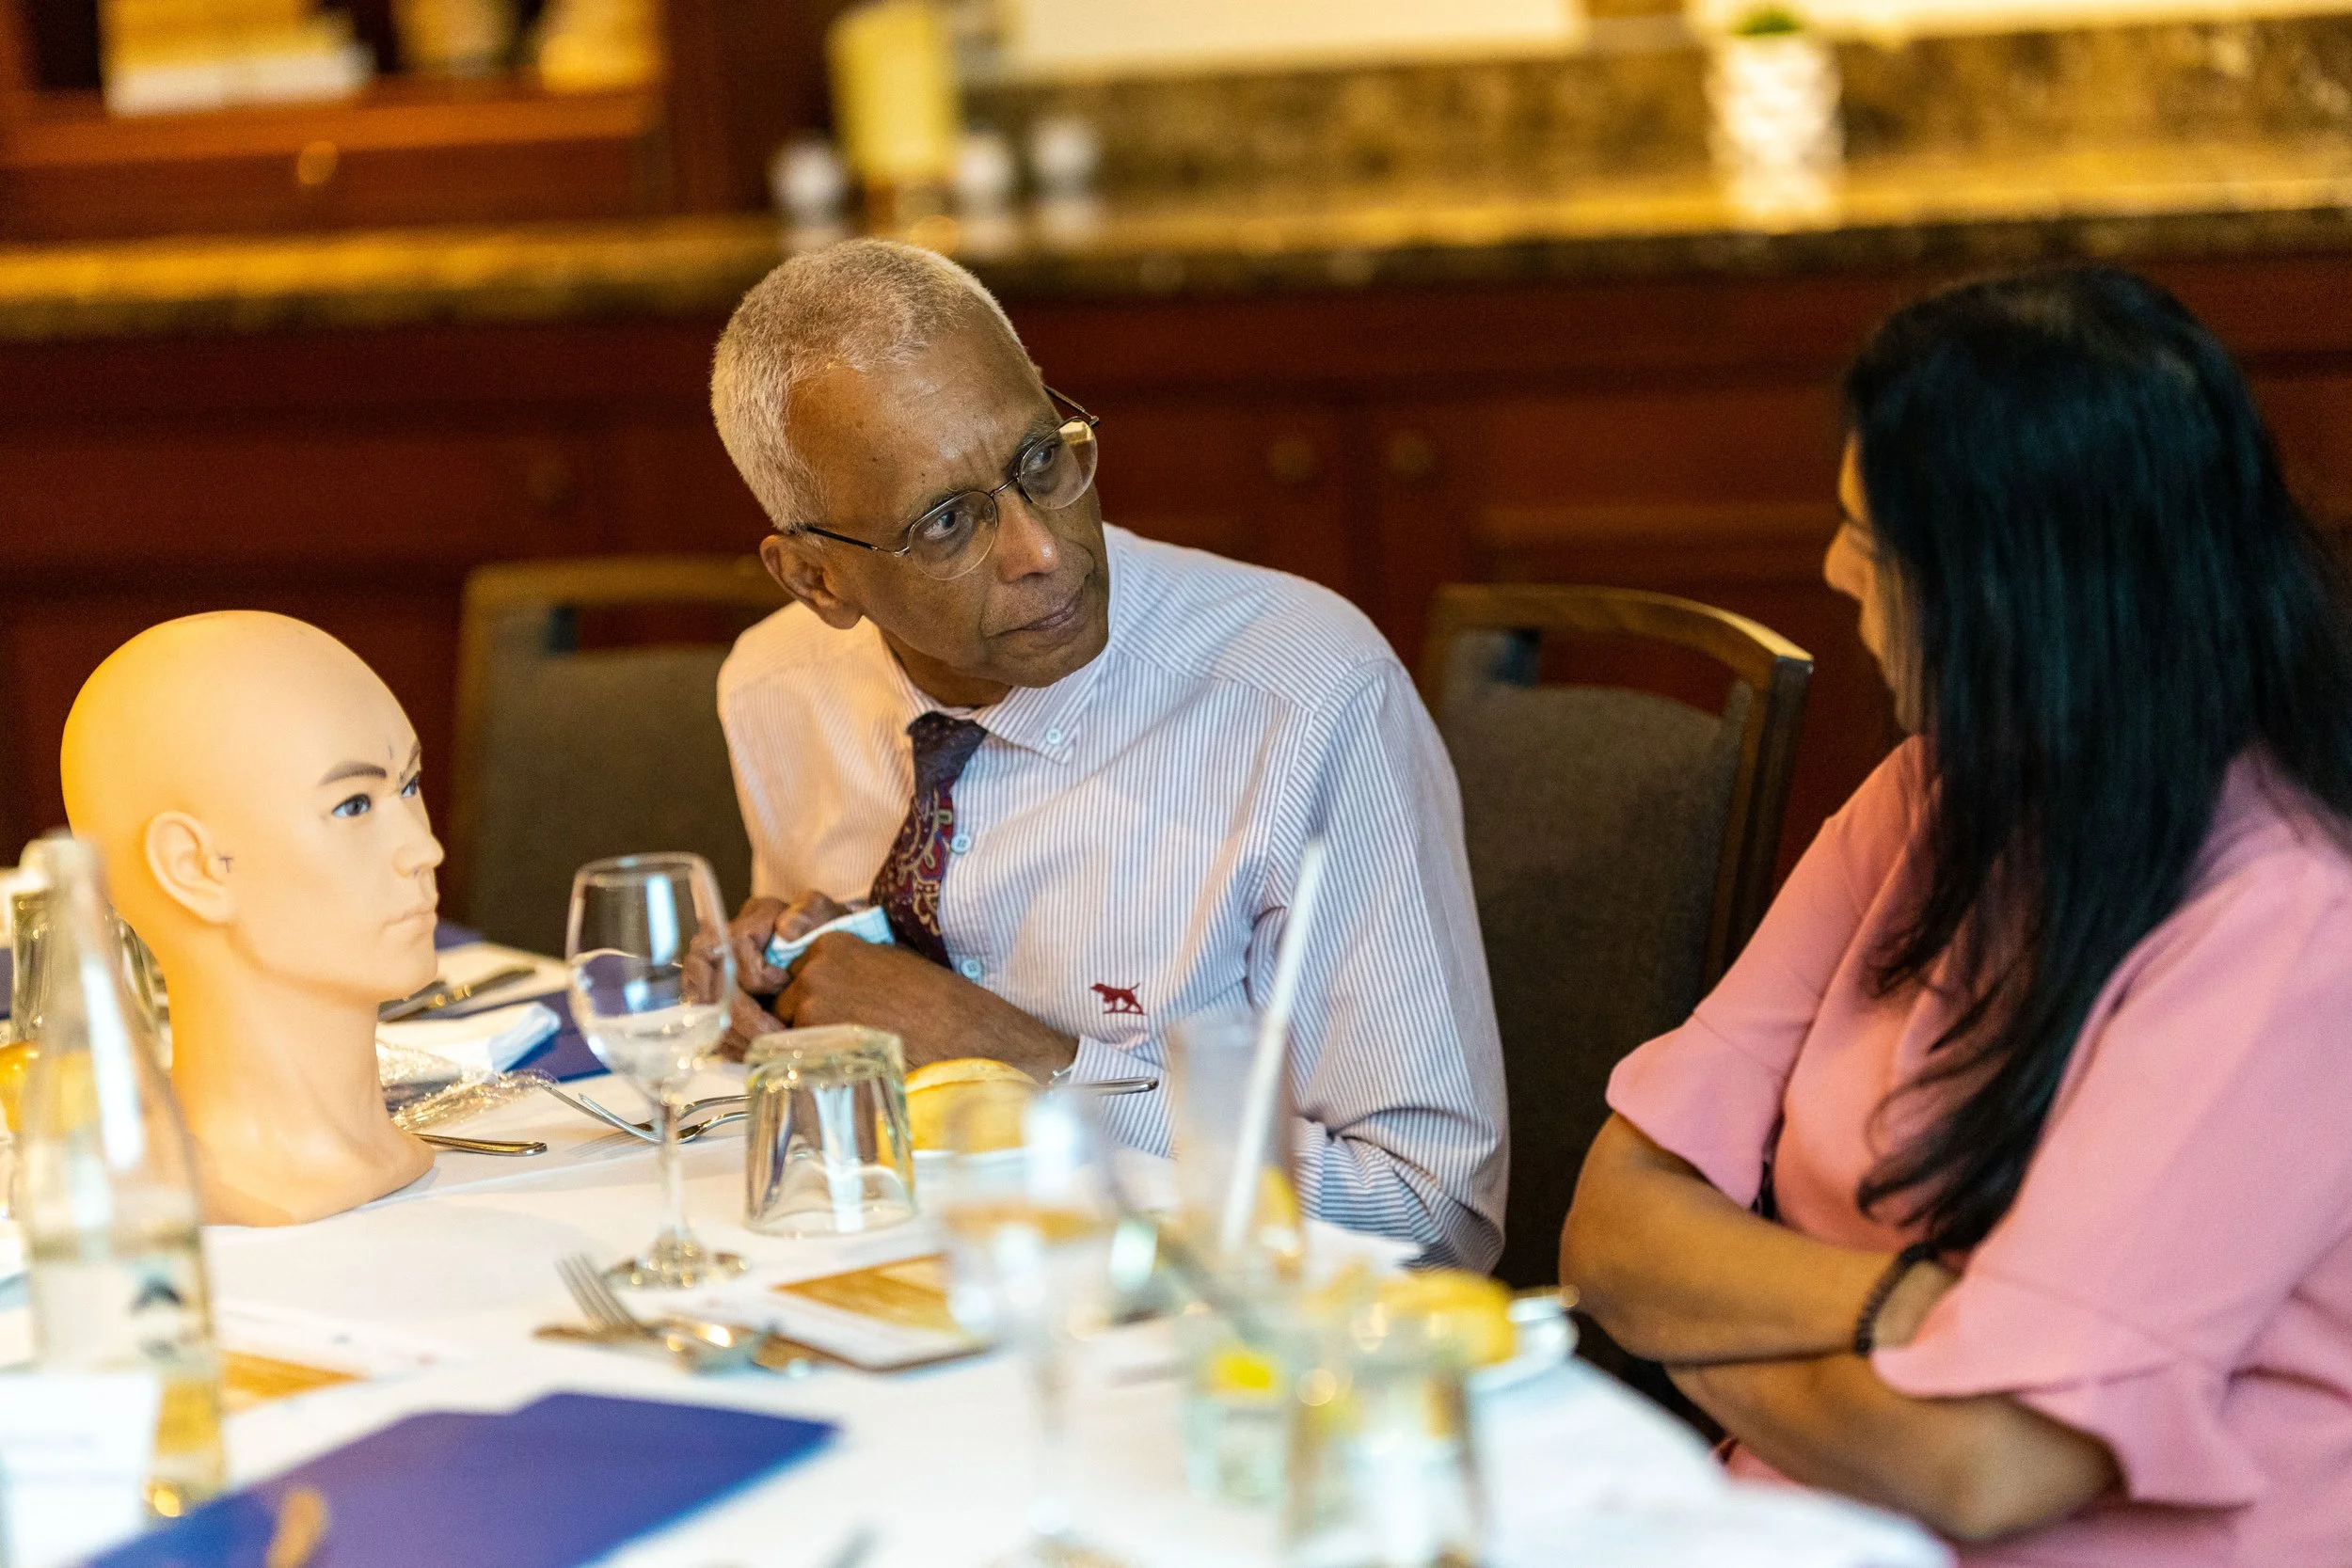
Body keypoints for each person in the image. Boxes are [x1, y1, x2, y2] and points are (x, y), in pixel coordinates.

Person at [1562, 267, 2352, 1562]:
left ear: (2025, 594)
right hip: (1798, 1521)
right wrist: (1903, 1303)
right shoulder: (1928, 795)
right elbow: (1613, 1222)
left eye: (1872, 548)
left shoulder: (2290, 928)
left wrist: (1699, 1325)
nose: (1830, 570)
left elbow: (1988, 1463)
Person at [707, 239, 1507, 1269]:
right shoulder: (775, 689)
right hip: (903, 1289)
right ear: (816, 580)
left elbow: (1436, 1214)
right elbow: (849, 1062)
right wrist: (774, 988)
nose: (1044, 549)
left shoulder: (1302, 699)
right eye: (946, 523)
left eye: (1041, 459)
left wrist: (1021, 1059)